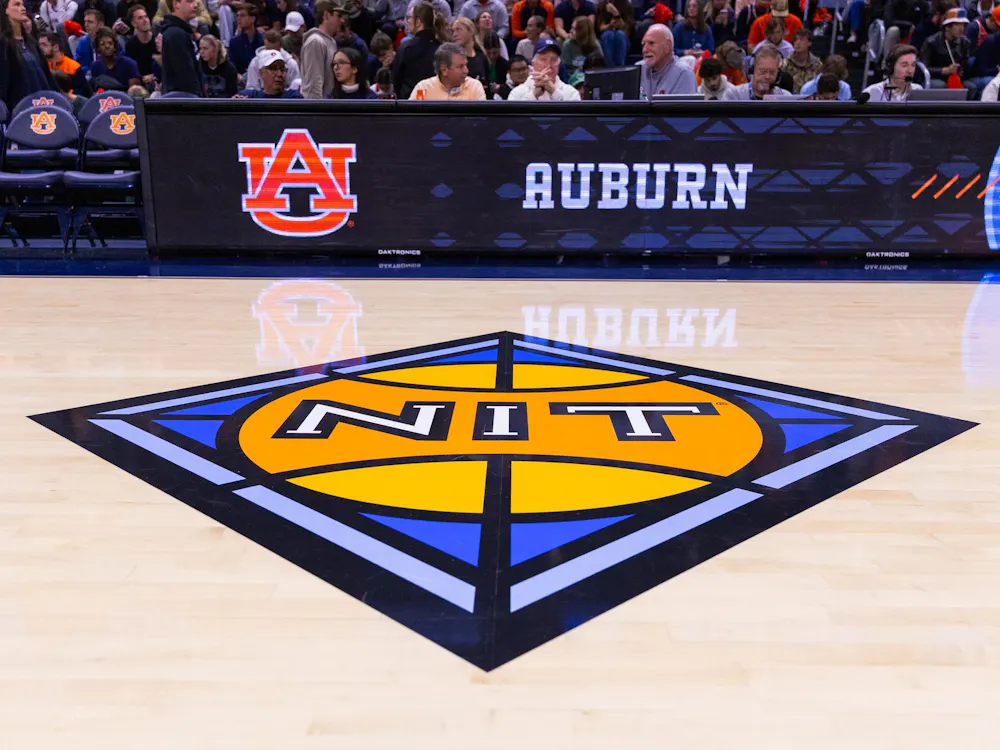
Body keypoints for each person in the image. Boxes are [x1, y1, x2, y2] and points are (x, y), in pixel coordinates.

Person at [1, 0, 55, 110]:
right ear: (6, 10)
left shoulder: (31, 42)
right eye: (17, 4)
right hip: (19, 109)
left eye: (22, 4)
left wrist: (57, 96)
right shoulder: (3, 44)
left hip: (44, 104)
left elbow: (46, 75)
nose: (23, 8)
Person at [920, 7, 975, 97]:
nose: (961, 28)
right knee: (940, 85)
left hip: (956, 77)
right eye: (957, 25)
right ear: (947, 27)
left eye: (963, 25)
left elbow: (965, 65)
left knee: (972, 87)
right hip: (936, 77)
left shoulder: (965, 42)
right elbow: (923, 68)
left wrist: (960, 69)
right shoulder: (931, 42)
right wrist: (943, 70)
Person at [392, 1, 438, 99]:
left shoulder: (405, 48)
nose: (407, 21)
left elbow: (396, 80)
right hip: (436, 104)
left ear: (418, 22)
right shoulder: (440, 48)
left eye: (409, 18)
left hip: (409, 105)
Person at [409, 40, 487, 98]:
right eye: (460, 66)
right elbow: (413, 118)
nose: (466, 71)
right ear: (444, 70)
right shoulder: (423, 89)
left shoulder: (474, 87)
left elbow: (482, 119)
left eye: (466, 65)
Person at [509, 36, 581, 97]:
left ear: (558, 65)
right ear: (533, 63)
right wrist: (533, 96)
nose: (549, 65)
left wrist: (554, 92)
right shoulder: (516, 93)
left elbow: (571, 113)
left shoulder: (571, 93)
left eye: (553, 59)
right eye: (543, 59)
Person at [638, 23, 697, 96]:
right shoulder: (638, 69)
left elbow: (682, 107)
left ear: (667, 46)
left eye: (651, 43)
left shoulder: (683, 73)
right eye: (643, 44)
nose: (645, 50)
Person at [301, 0, 342, 98]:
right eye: (338, 16)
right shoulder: (315, 41)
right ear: (326, 15)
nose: (342, 20)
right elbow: (314, 85)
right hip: (320, 109)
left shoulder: (331, 41)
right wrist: (316, 111)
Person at [161, 0, 204, 95]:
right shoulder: (176, 35)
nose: (196, 5)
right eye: (190, 1)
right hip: (183, 104)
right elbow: (185, 76)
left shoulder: (184, 32)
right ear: (176, 4)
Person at [722, 41, 791, 97]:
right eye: (763, 71)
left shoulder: (786, 97)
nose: (767, 76)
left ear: (778, 74)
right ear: (752, 70)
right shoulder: (734, 95)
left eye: (772, 72)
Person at [235, 47, 304, 95]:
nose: (279, 74)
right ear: (261, 73)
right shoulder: (249, 96)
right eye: (273, 69)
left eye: (282, 69)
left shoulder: (293, 98)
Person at [124, 6, 156, 85]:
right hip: (140, 84)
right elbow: (131, 72)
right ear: (133, 23)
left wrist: (153, 76)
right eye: (140, 18)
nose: (145, 20)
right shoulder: (130, 45)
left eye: (146, 17)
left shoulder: (158, 41)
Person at [451, 15, 488, 84]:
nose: (454, 34)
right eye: (453, 31)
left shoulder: (482, 58)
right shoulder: (451, 59)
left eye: (458, 30)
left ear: (471, 31)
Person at [779, 27, 818, 91]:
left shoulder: (817, 64)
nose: (797, 43)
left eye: (801, 40)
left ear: (809, 43)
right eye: (796, 40)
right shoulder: (784, 64)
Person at [229, 3, 264, 74]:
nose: (238, 19)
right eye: (237, 15)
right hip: (241, 80)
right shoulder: (234, 42)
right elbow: (232, 66)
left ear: (253, 19)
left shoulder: (263, 40)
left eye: (242, 16)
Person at [595, 0, 631, 65]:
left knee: (620, 34)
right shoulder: (602, 5)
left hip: (624, 39)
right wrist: (610, 25)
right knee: (608, 35)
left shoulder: (626, 5)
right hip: (606, 38)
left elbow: (626, 29)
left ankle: (620, 69)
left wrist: (616, 13)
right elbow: (600, 28)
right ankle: (610, 70)